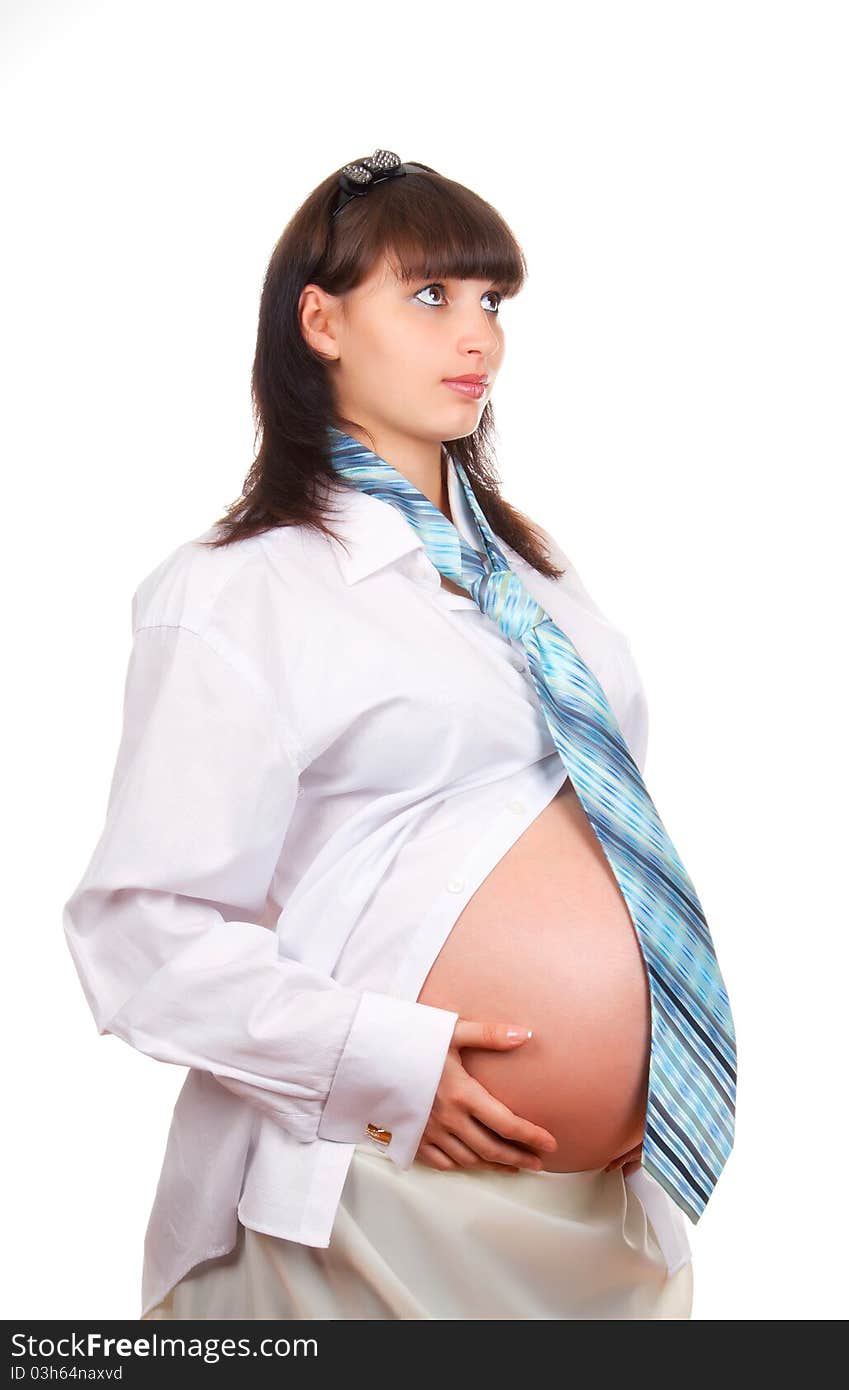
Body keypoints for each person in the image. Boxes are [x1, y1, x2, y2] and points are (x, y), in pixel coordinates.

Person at [62, 151, 717, 1321]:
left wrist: (636, 1071)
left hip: (602, 1216)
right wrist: (383, 1064)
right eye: (429, 296)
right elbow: (141, 934)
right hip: (367, 1201)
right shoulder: (236, 591)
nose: (476, 337)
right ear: (319, 320)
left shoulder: (543, 581)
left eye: (490, 301)